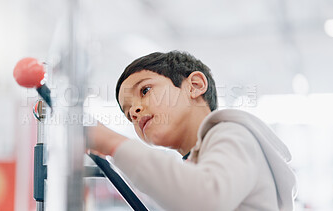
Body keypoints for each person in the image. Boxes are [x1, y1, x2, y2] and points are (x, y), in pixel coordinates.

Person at [87, 51, 297, 211]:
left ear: (194, 85)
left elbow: (207, 199)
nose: (134, 111)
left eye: (145, 90)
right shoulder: (197, 165)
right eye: (127, 113)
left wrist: (112, 142)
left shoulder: (232, 133)